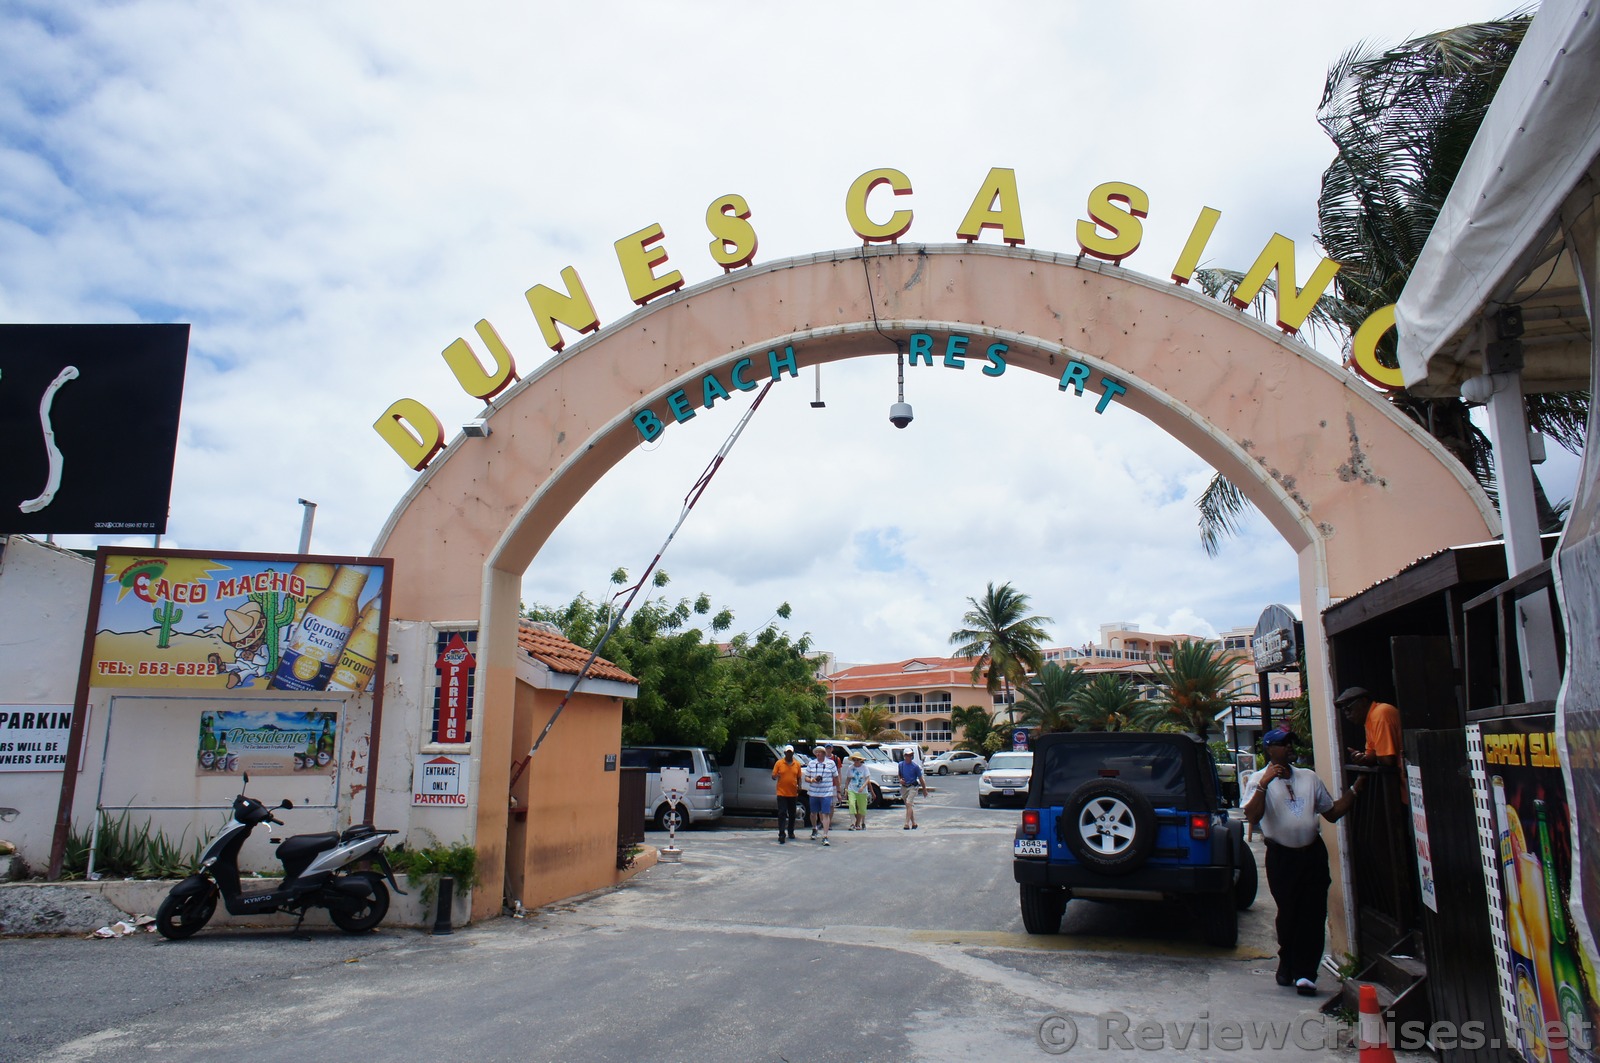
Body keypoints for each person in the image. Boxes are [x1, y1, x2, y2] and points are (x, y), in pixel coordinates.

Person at [1242, 727, 1363, 996]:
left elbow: (1330, 813)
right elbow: (1252, 816)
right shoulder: (1258, 780)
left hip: (1311, 854)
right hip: (1281, 856)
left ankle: (1306, 973)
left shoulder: (1309, 778)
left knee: (1314, 912)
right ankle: (1287, 960)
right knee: (1289, 912)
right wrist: (1265, 784)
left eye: (1290, 744)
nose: (1289, 748)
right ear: (1268, 750)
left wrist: (1356, 789)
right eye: (1283, 744)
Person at [1335, 687, 1401, 767]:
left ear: (1363, 702)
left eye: (1348, 709)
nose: (1346, 714)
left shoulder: (1379, 714)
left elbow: (1388, 760)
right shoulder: (1369, 720)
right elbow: (1371, 754)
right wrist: (1361, 758)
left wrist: (1371, 758)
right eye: (1343, 711)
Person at [804, 744, 838, 844]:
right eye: (817, 752)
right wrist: (812, 780)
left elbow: (836, 777)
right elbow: (806, 777)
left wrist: (838, 791)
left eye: (821, 752)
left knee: (825, 814)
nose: (819, 754)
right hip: (814, 792)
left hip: (826, 793)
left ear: (824, 753)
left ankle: (825, 835)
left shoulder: (831, 763)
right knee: (813, 813)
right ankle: (814, 828)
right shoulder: (811, 763)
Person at [771, 745, 803, 844]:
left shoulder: (797, 764)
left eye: (790, 752)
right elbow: (773, 776)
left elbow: (799, 777)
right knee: (782, 813)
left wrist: (799, 787)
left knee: (792, 814)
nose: (789, 754)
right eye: (787, 752)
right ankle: (781, 833)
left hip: (792, 793)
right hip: (782, 793)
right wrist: (777, 775)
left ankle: (791, 831)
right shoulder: (779, 763)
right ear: (785, 753)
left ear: (793, 753)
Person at [898, 748, 927, 829]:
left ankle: (906, 823)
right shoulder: (901, 765)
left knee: (909, 803)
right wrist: (900, 780)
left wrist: (924, 789)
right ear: (904, 756)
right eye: (907, 755)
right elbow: (899, 774)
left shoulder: (915, 767)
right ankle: (914, 823)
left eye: (910, 755)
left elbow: (921, 779)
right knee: (908, 806)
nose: (909, 757)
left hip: (913, 787)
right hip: (904, 787)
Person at [844, 753, 871, 830]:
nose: (856, 761)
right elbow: (848, 779)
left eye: (858, 760)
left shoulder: (864, 768)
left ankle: (859, 823)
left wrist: (863, 787)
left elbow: (867, 779)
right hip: (852, 789)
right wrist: (846, 789)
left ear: (860, 760)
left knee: (861, 807)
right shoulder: (850, 768)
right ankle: (852, 823)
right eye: (854, 760)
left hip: (861, 791)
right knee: (852, 805)